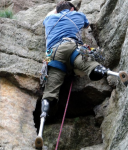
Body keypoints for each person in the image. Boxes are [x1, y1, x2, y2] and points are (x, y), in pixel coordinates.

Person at [35, 1, 108, 148]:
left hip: (53, 54)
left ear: (56, 10)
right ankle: (102, 71)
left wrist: (56, 10)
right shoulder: (78, 15)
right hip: (72, 47)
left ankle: (43, 120)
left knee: (50, 90)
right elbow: (87, 25)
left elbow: (49, 16)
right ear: (72, 8)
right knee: (85, 62)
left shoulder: (49, 19)